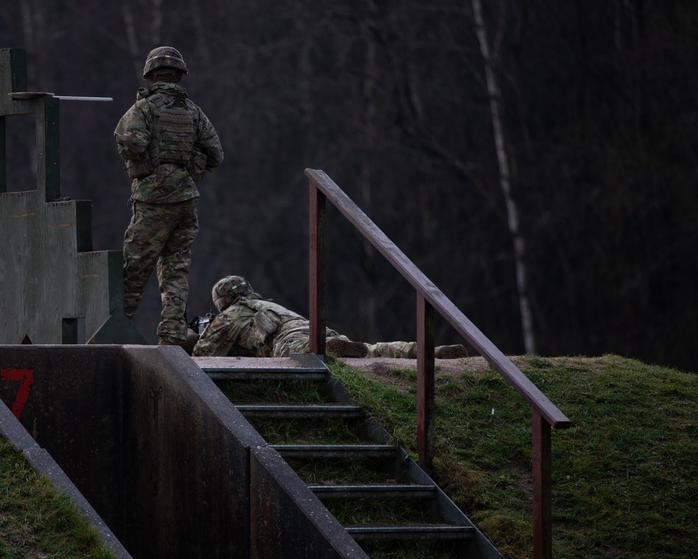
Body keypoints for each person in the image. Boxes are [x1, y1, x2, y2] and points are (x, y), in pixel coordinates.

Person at [114, 46, 223, 347]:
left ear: (150, 75)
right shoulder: (193, 111)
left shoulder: (144, 108)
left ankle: (116, 331)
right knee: (176, 268)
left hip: (153, 199)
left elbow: (130, 145)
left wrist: (148, 161)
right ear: (179, 75)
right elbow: (216, 154)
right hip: (186, 199)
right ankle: (173, 335)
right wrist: (187, 165)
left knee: (135, 268)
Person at [192, 275, 468, 359]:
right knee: (369, 351)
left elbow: (203, 356)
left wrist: (196, 336)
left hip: (293, 342)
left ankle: (324, 351)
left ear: (223, 302)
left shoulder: (230, 316)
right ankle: (427, 352)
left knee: (304, 355)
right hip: (315, 329)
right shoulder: (268, 305)